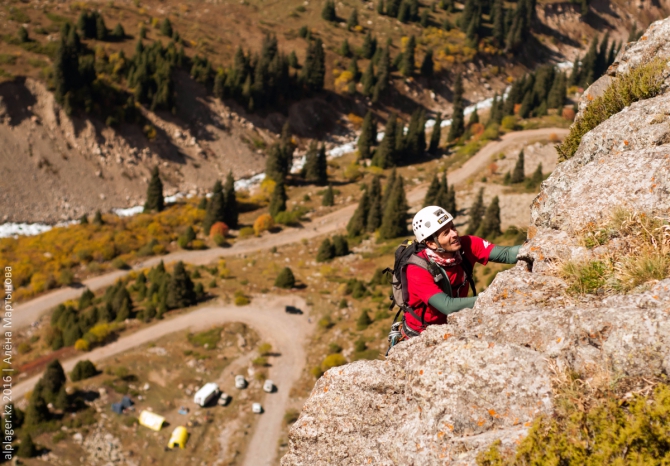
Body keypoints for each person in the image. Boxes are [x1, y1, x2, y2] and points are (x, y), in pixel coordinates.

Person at [402, 205, 522, 338]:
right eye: (446, 233)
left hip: (455, 325)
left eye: (452, 227)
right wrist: (491, 299)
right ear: (431, 244)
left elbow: (507, 254)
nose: (454, 234)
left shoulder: (468, 245)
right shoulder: (417, 269)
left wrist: (538, 246)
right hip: (421, 333)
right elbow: (447, 306)